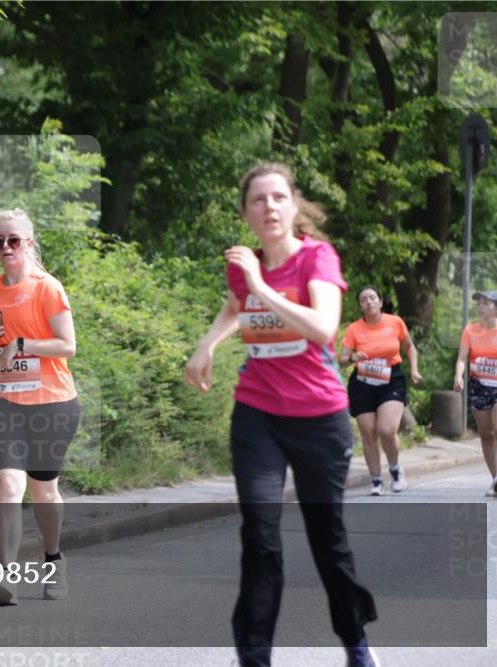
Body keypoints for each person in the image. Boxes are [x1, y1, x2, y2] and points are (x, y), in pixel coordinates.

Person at [184, 163, 378, 667]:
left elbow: (321, 327)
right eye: (257, 200)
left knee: (326, 542)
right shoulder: (243, 264)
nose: (268, 207)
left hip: (319, 417)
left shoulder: (318, 258)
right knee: (260, 536)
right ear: (246, 212)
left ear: (293, 206)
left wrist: (260, 285)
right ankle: (254, 657)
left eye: (277, 198)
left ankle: (355, 642)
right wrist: (206, 345)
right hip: (258, 414)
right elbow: (235, 306)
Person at [0, 208, 80, 605]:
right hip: (1, 400)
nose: (5, 248)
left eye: (13, 240)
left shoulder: (47, 287)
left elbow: (68, 345)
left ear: (29, 243)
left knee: (43, 493)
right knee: (7, 485)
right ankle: (7, 575)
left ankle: (54, 559)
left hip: (51, 403)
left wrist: (24, 345)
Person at [339, 286, 422, 496]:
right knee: (368, 433)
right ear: (360, 306)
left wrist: (414, 369)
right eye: (364, 299)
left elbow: (410, 347)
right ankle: (376, 480)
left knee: (386, 430)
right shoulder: (354, 329)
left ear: (380, 301)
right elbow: (341, 360)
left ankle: (395, 471)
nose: (369, 302)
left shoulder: (395, 322)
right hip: (362, 382)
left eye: (372, 298)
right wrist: (352, 358)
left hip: (391, 379)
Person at [453, 290, 497, 498]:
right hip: (479, 386)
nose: (480, 307)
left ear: (496, 308)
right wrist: (459, 376)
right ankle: (496, 480)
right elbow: (461, 358)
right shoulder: (470, 330)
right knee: (485, 433)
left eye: (486, 303)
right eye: (479, 303)